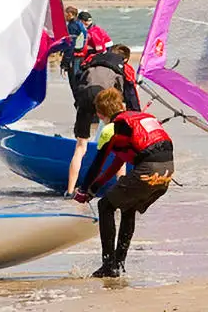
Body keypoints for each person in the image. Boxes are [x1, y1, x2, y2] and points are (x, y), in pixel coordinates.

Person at [74, 88, 174, 278]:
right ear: (121, 105)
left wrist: (83, 190)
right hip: (168, 170)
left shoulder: (111, 129)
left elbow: (97, 165)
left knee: (105, 206)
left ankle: (108, 265)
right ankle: (118, 265)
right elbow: (117, 163)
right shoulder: (136, 120)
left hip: (148, 169)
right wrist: (95, 188)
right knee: (128, 208)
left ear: (100, 114)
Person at [65, 43, 140, 196]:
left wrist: (78, 101)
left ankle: (70, 191)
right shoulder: (124, 67)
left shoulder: (92, 59)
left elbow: (78, 78)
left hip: (84, 96)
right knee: (120, 145)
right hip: (104, 97)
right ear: (125, 59)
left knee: (81, 146)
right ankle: (120, 188)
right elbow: (131, 94)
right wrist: (136, 115)